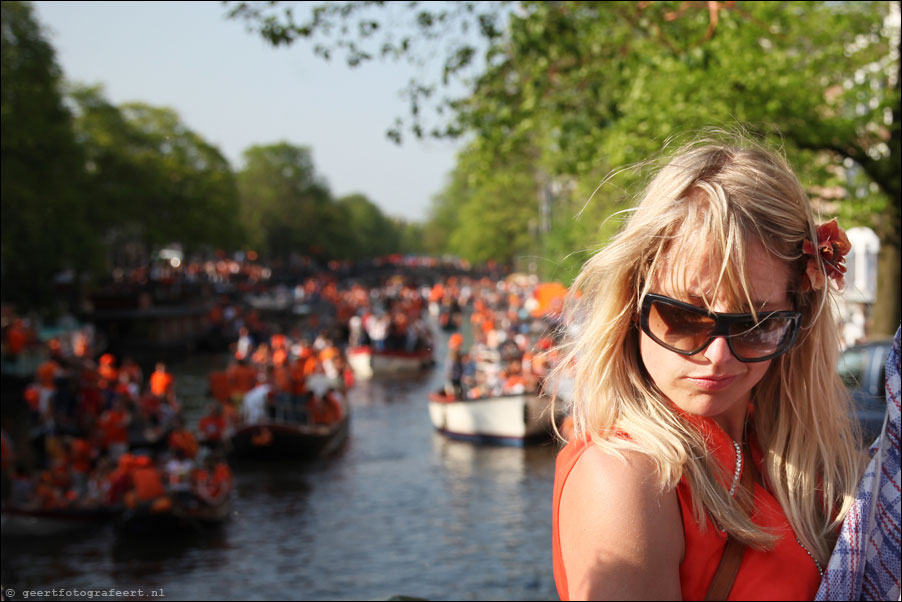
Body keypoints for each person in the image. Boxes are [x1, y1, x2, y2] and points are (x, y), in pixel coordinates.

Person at [551, 134, 864, 601]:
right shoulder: (627, 478)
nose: (718, 356)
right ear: (633, 302)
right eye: (683, 316)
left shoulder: (792, 459)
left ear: (796, 319)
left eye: (757, 324)